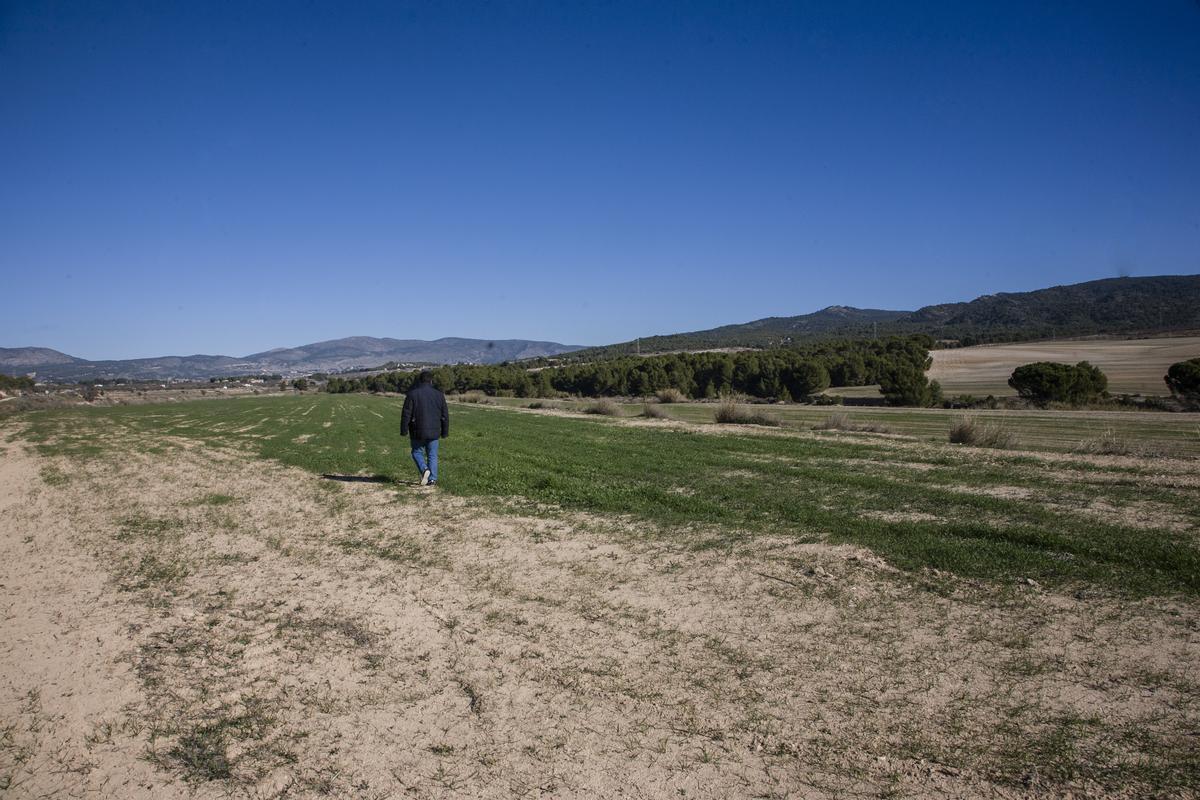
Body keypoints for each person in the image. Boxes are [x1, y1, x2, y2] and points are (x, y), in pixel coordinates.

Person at [400, 370, 449, 486]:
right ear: (431, 381)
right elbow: (444, 415)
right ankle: (432, 479)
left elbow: (406, 414)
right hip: (435, 430)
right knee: (432, 455)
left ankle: (424, 469)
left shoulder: (412, 394)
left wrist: (404, 430)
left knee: (416, 452)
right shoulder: (439, 395)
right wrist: (445, 431)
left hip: (417, 430)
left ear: (420, 380)